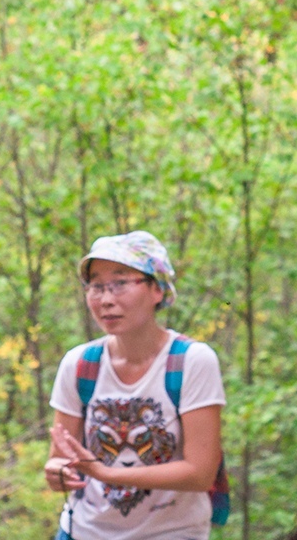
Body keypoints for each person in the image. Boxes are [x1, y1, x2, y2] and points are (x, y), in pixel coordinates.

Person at [45, 231, 225, 540]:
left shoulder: (191, 361)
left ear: (157, 289)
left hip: (172, 532)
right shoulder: (79, 365)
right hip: (84, 531)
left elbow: (200, 473)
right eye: (96, 286)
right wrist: (59, 472)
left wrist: (107, 473)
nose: (106, 299)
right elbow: (59, 459)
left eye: (120, 284)